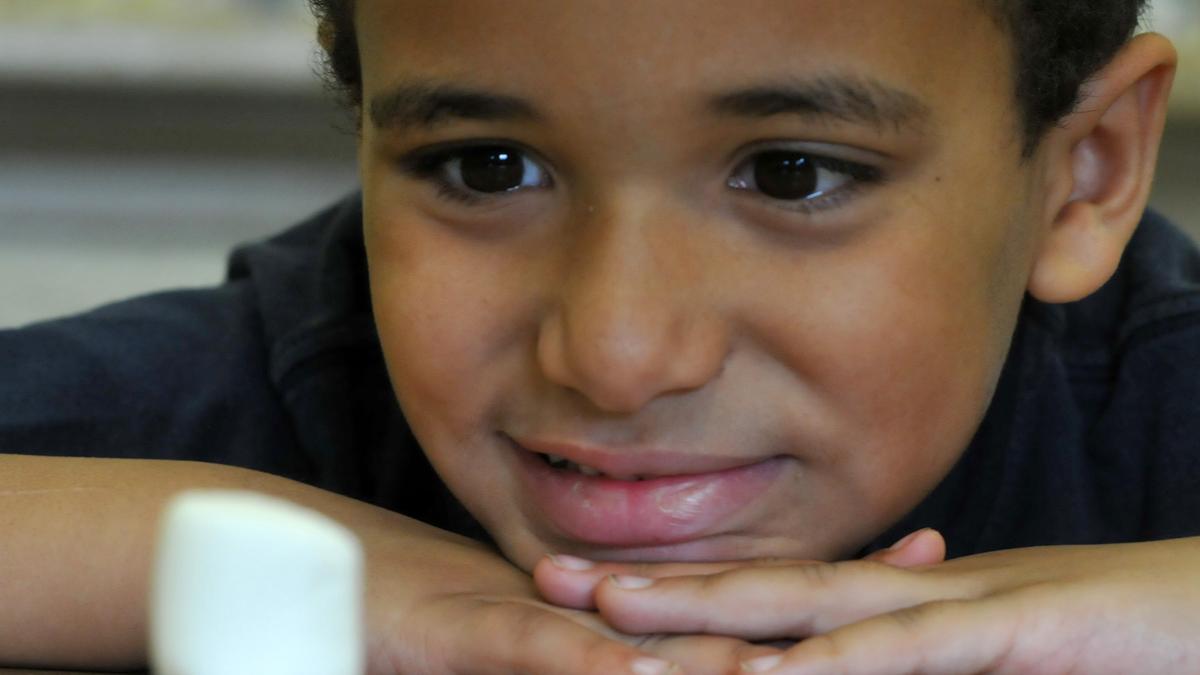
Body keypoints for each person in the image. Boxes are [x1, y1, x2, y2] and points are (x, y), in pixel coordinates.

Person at [1, 1, 1197, 673]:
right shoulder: (274, 396)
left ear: (1083, 175)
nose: (618, 355)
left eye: (792, 175)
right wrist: (244, 557)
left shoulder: (1160, 402)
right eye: (487, 168)